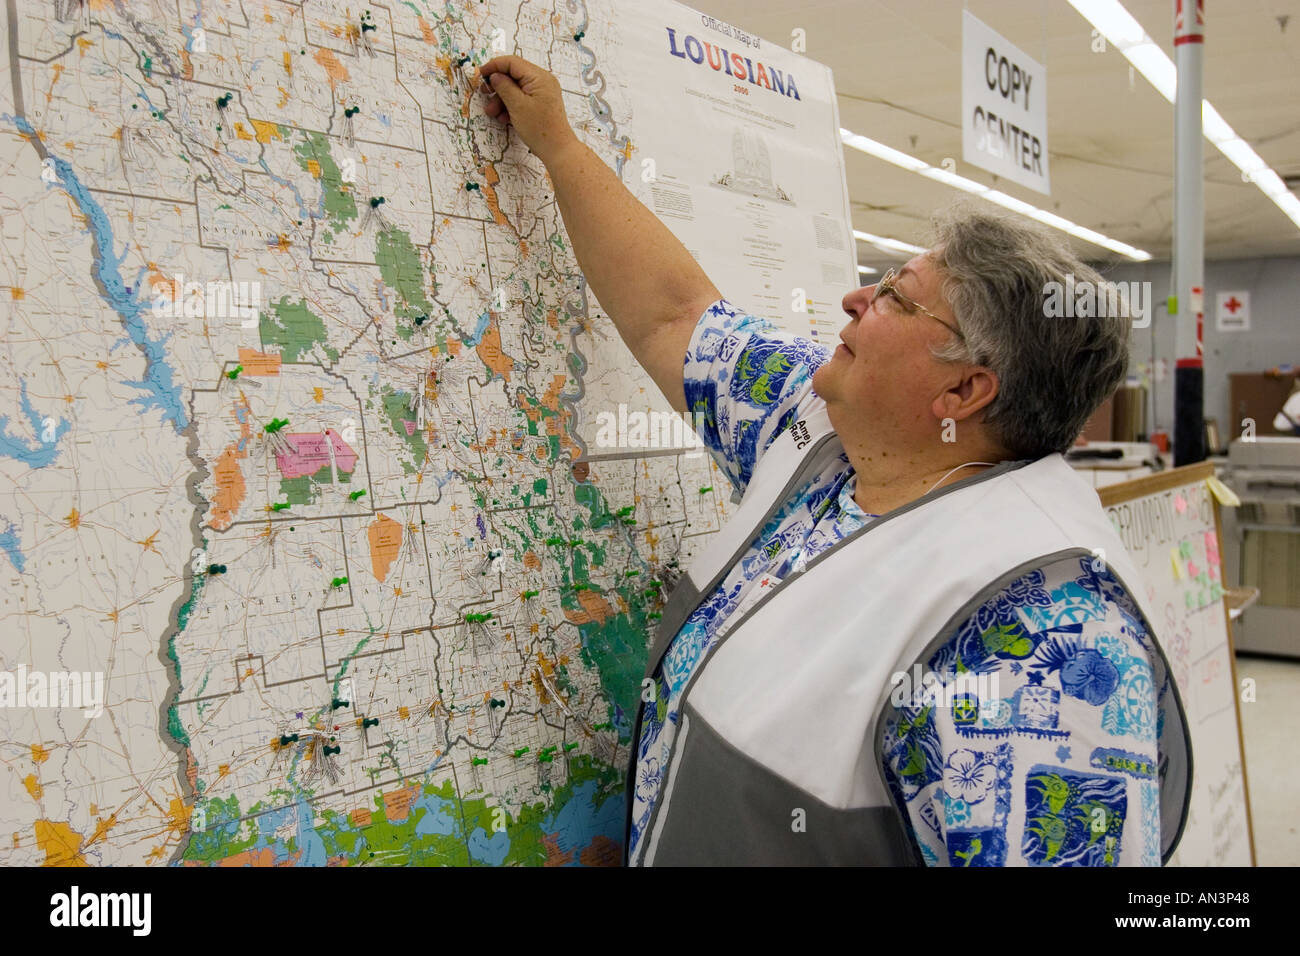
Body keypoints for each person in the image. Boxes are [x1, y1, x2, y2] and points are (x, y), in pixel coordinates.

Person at [473, 54, 1191, 866]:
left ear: (962, 393)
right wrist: (560, 146)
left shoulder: (1042, 643)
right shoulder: (822, 430)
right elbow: (674, 316)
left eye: (895, 295)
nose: (856, 298)